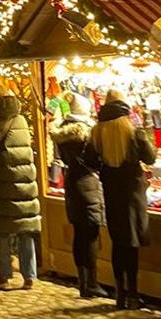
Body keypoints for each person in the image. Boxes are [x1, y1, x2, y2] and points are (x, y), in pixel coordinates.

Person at [85, 88, 157, 309]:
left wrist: (105, 169)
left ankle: (120, 293)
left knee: (118, 242)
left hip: (111, 191)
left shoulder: (97, 132)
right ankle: (133, 292)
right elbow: (150, 157)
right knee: (131, 242)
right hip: (133, 191)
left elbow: (88, 160)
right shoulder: (133, 131)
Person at [0, 84, 41, 290]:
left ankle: (4, 277)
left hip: (2, 185)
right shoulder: (22, 120)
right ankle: (29, 276)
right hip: (25, 185)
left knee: (3, 231)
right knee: (25, 229)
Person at [54, 120, 105, 298]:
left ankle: (82, 281)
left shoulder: (63, 143)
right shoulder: (84, 142)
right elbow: (97, 162)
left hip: (72, 187)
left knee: (79, 235)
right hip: (87, 187)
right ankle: (91, 282)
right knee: (90, 236)